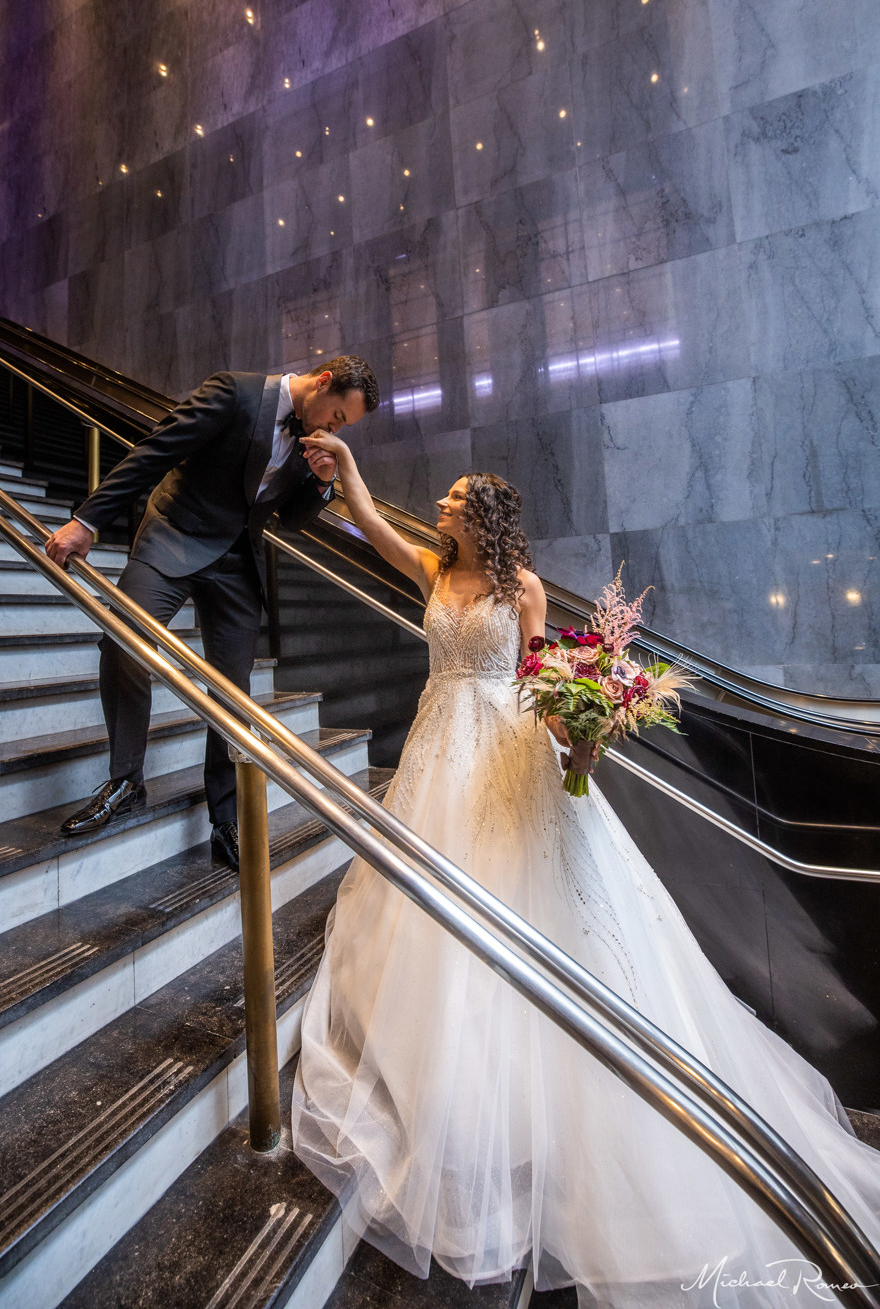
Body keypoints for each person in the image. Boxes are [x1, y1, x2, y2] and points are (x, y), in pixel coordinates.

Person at [290, 431, 880, 1307]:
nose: (443, 503)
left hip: (505, 750)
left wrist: (579, 726)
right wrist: (346, 470)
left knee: (526, 901)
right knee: (431, 904)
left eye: (455, 498)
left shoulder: (519, 587)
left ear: (482, 515)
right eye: (446, 498)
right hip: (433, 751)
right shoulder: (430, 568)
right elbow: (369, 520)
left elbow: (538, 670)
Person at [44, 356, 379, 868]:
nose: (334, 430)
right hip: (175, 534)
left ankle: (225, 817)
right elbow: (155, 452)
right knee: (122, 642)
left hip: (238, 559)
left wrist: (320, 482)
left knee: (232, 693)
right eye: (337, 417)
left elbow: (290, 520)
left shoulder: (313, 440)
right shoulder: (234, 392)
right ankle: (126, 780)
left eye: (342, 427)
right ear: (324, 382)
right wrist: (87, 521)